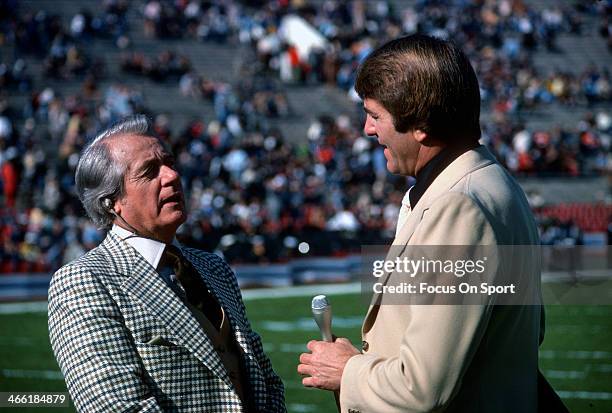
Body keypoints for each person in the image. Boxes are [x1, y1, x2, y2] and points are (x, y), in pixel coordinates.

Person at [298, 34, 544, 412]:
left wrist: (348, 370)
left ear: (422, 125)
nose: (366, 129)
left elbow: (422, 389)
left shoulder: (458, 207)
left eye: (376, 116)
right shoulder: (492, 182)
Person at [48, 115, 286, 412]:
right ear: (111, 202)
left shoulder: (214, 267)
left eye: (170, 163)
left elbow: (264, 379)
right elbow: (117, 407)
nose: (172, 175)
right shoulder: (85, 281)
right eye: (149, 171)